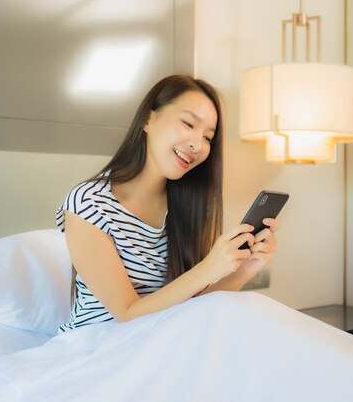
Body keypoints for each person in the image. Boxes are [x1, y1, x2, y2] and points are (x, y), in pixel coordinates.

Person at [55, 74, 280, 332]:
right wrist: (209, 267)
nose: (197, 144)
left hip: (162, 341)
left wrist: (245, 269)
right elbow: (126, 314)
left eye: (208, 137)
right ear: (147, 119)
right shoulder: (88, 203)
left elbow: (193, 305)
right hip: (97, 346)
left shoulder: (188, 208)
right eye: (188, 123)